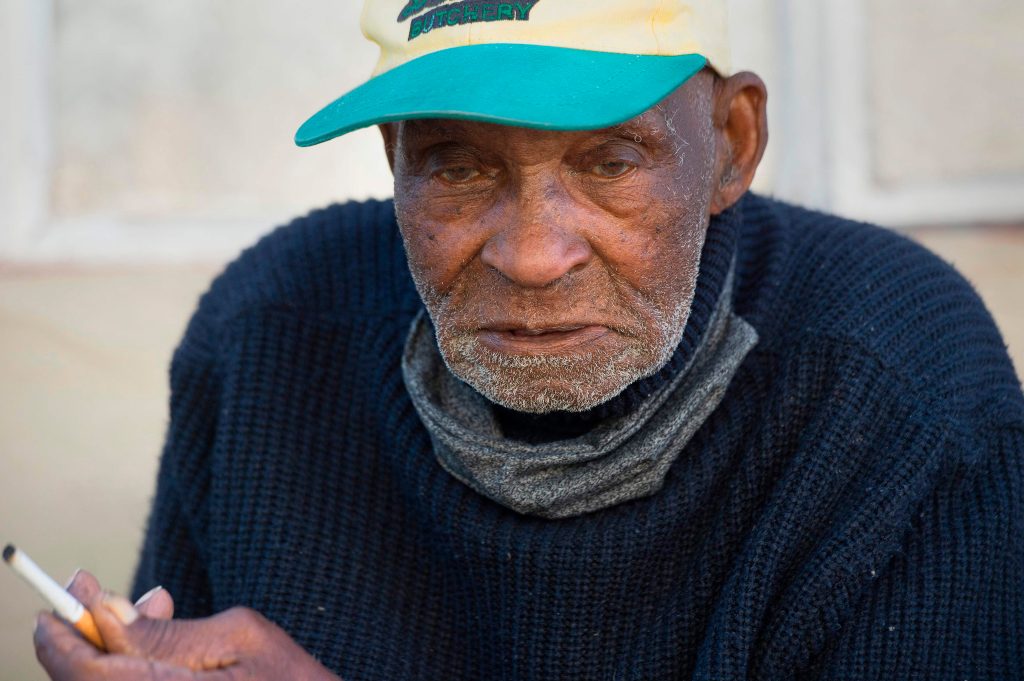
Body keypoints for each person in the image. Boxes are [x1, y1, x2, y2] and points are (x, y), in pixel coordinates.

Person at [33, 1, 1024, 679]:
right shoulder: (271, 332)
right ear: (395, 159)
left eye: (608, 160)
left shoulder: (898, 379)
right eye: (457, 167)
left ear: (730, 144)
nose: (533, 254)